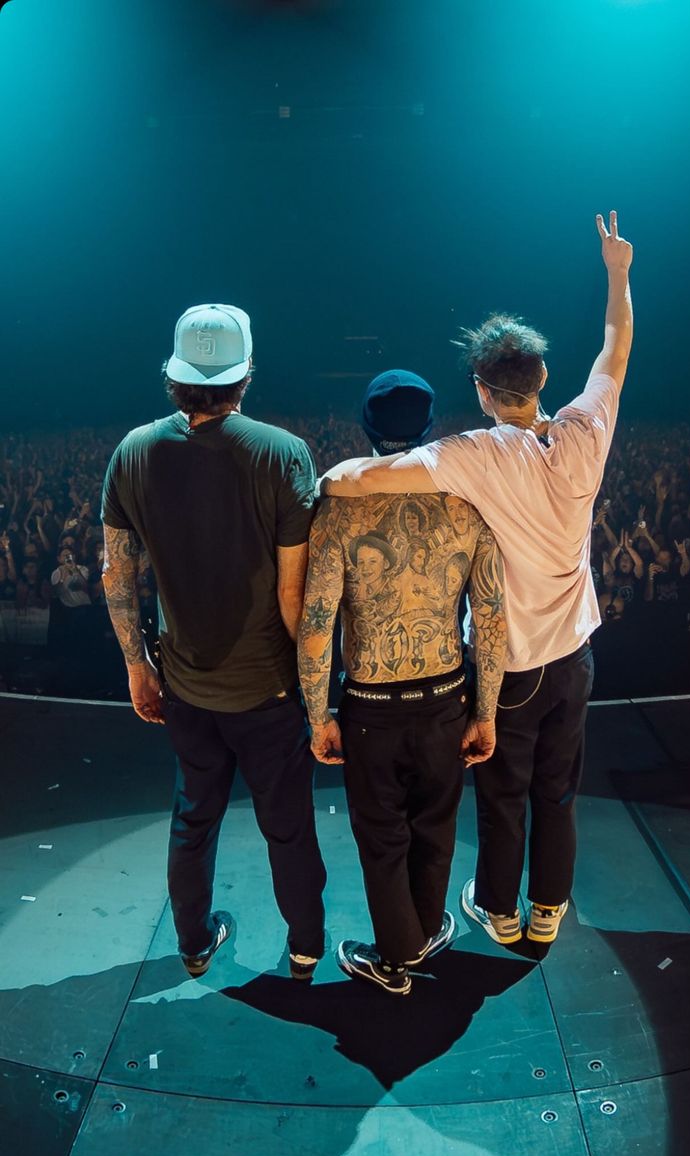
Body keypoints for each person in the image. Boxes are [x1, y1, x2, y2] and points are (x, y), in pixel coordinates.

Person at [322, 212, 633, 948]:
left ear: (483, 390)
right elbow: (615, 346)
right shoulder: (589, 427)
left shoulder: (473, 453)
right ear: (543, 379)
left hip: (515, 666)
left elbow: (372, 477)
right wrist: (618, 272)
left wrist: (328, 478)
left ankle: (498, 907)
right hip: (577, 654)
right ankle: (549, 906)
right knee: (559, 789)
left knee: (504, 794)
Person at [102, 303, 327, 981]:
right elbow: (294, 596)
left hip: (187, 688)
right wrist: (316, 695)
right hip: (269, 690)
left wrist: (137, 666)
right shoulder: (283, 453)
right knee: (286, 824)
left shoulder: (133, 451)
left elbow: (117, 571)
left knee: (192, 820)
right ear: (246, 373)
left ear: (175, 376)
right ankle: (306, 946)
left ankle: (195, 943)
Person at [298, 370, 507, 995]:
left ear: (367, 429)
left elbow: (317, 625)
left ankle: (397, 958)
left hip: (370, 707)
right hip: (446, 698)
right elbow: (490, 618)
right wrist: (487, 711)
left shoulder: (341, 506)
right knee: (435, 827)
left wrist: (317, 713)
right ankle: (417, 934)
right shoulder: (468, 506)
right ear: (429, 427)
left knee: (382, 837)